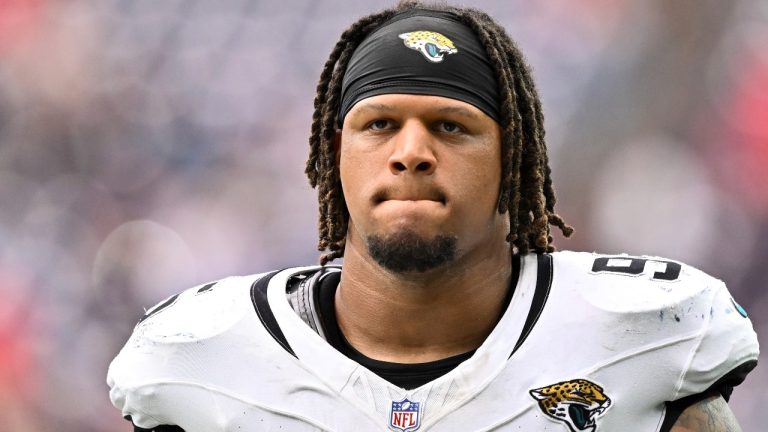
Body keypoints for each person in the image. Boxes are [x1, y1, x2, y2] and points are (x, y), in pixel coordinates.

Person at [107, 2, 759, 431]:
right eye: (379, 124)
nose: (411, 153)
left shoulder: (649, 333)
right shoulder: (196, 355)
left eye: (451, 126)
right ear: (333, 157)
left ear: (515, 158)